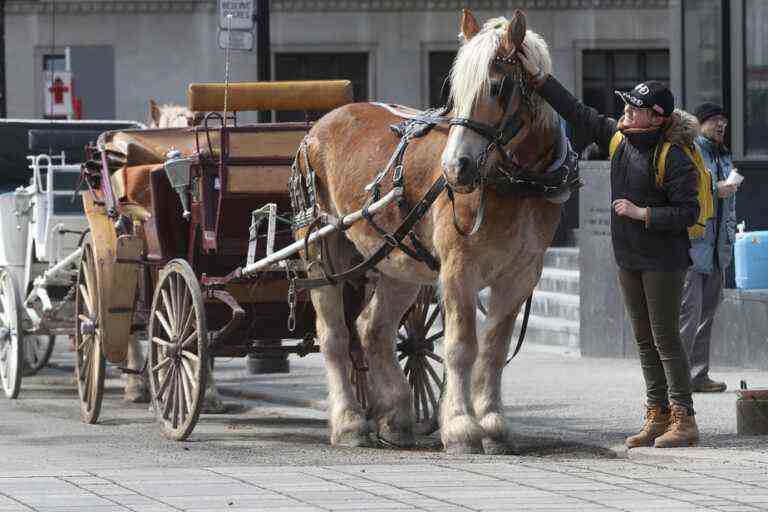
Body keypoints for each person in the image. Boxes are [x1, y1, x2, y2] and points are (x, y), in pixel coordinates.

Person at [516, 47, 700, 448]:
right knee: (644, 339)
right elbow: (577, 111)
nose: (627, 113)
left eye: (636, 108)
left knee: (665, 337)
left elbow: (689, 211)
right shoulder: (620, 140)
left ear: (657, 116)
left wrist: (642, 213)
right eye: (627, 107)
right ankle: (657, 414)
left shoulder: (674, 156)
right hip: (629, 258)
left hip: (664, 261)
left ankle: (684, 419)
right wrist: (539, 79)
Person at [679, 103, 738, 393]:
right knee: (687, 317)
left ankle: (698, 375)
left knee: (707, 316)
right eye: (714, 121)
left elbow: (729, 207)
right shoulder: (692, 151)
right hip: (693, 248)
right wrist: (717, 189)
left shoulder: (724, 155)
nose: (720, 126)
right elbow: (689, 189)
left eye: (723, 121)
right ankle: (676, 381)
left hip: (717, 250)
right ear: (700, 124)